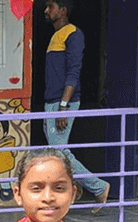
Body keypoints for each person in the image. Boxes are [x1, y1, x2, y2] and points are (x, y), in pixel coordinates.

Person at [42, 0, 109, 205]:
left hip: (61, 103)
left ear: (62, 11)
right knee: (57, 152)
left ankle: (98, 186)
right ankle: (76, 189)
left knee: (60, 152)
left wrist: (64, 105)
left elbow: (74, 71)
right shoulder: (57, 35)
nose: (46, 11)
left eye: (50, 7)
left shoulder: (73, 33)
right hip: (53, 102)